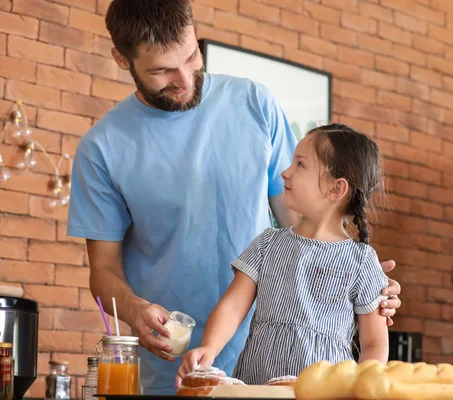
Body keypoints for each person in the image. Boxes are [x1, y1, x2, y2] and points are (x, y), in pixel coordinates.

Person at [66, 0, 401, 394]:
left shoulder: (256, 104)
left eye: (192, 57)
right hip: (176, 370)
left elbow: (304, 227)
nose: (185, 79)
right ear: (122, 60)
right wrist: (135, 311)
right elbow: (103, 271)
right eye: (162, 71)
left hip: (277, 378)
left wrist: (360, 280)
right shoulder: (101, 148)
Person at [176, 123, 389, 386]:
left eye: (300, 165)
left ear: (336, 189)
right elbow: (232, 307)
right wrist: (209, 348)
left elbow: (375, 343)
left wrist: (362, 385)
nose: (285, 173)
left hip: (323, 394)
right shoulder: (267, 243)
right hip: (256, 388)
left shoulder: (362, 262)